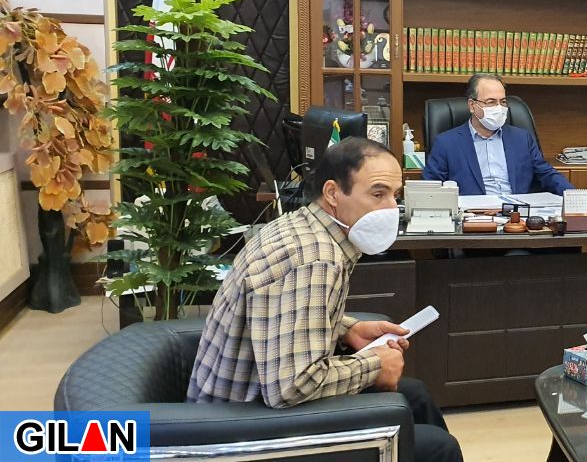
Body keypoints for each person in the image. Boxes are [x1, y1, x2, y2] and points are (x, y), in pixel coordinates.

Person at [188, 137, 462, 462]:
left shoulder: (302, 227)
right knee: (437, 447)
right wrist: (375, 365)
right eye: (378, 194)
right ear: (333, 193)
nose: (392, 208)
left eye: (395, 195)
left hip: (250, 402)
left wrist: (347, 330)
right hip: (239, 428)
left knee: (414, 395)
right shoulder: (315, 258)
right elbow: (291, 387)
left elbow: (281, 311)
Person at [424, 73, 572, 196]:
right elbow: (430, 187)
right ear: (472, 105)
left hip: (517, 214)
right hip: (473, 215)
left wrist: (574, 196)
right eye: (491, 102)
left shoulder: (521, 138)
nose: (499, 108)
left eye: (503, 102)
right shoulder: (446, 143)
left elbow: (546, 174)